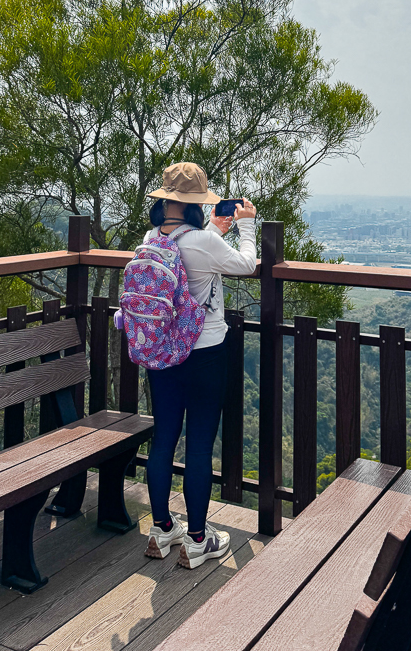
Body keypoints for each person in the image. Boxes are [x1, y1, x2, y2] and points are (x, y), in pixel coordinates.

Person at [142, 161, 257, 569]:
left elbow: (186, 255)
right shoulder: (204, 242)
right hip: (204, 351)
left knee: (164, 438)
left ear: (165, 201)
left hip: (162, 352)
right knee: (199, 444)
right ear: (196, 204)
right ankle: (196, 539)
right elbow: (247, 264)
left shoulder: (152, 238)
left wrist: (214, 231)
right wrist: (247, 226)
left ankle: (161, 529)